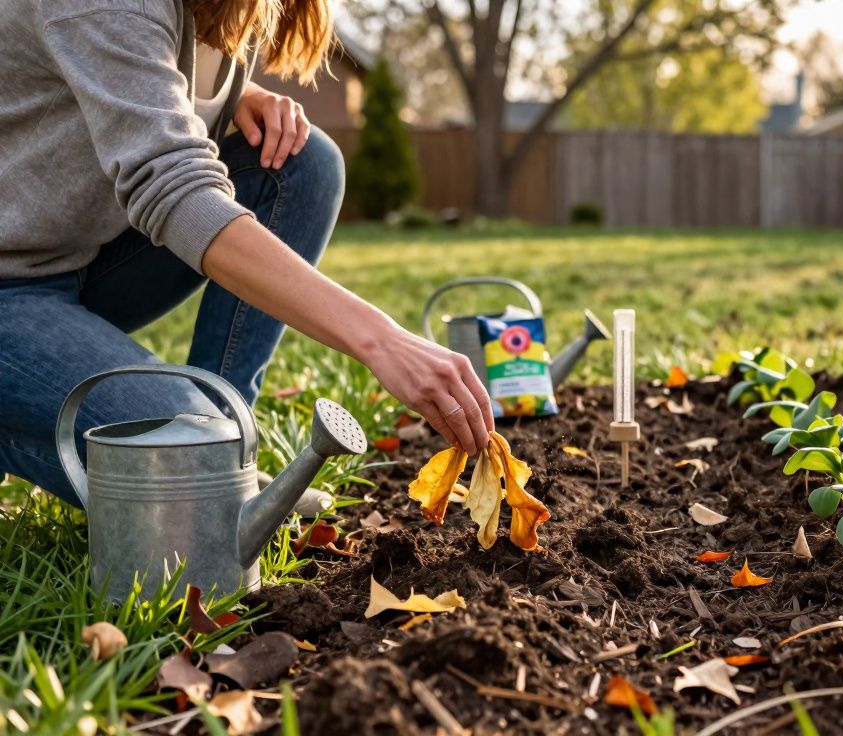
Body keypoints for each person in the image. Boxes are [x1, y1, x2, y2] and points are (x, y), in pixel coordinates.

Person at [0, 0, 494, 507]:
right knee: (187, 470)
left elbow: (120, 79)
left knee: (302, 163)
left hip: (73, 263)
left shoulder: (229, 9)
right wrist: (381, 340)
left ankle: (222, 443)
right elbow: (177, 195)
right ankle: (204, 465)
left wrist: (239, 97)